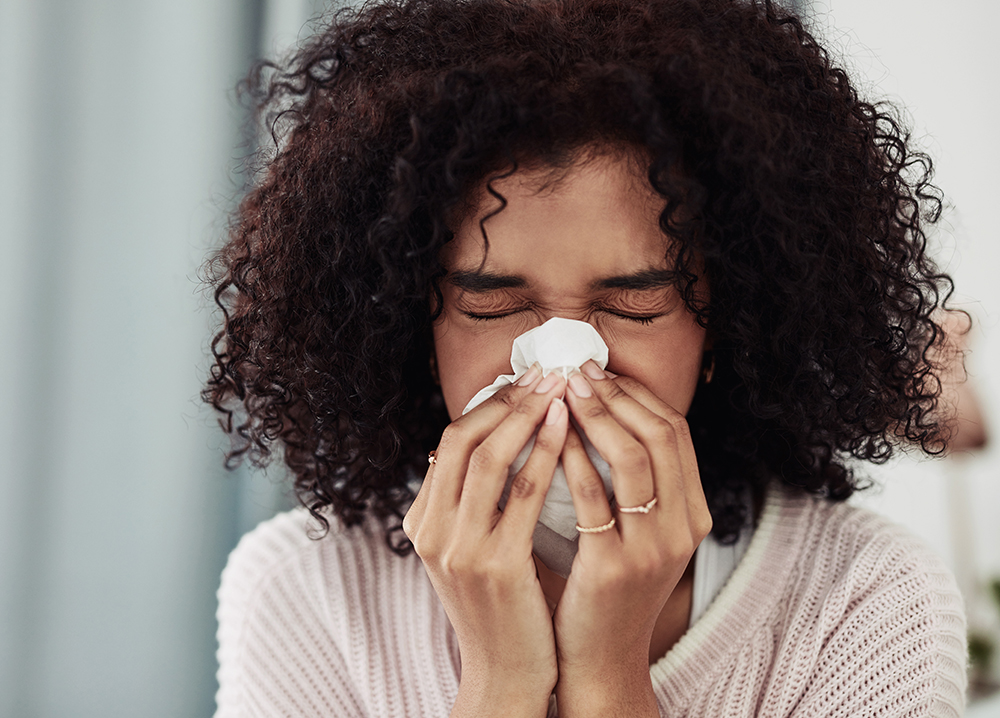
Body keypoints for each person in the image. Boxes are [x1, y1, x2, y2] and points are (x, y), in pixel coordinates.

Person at [204, 0, 968, 715]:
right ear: (413, 323)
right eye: (492, 306)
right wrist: (502, 682)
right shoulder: (306, 590)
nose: (566, 367)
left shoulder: (865, 598)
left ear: (724, 330)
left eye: (632, 306)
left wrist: (610, 678)